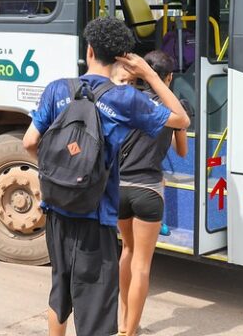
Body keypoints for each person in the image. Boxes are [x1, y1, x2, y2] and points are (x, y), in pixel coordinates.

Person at [23, 17, 190, 336]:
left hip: (56, 211)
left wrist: (60, 173)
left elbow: (30, 142)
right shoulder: (125, 99)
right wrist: (150, 74)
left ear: (89, 51)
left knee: (61, 292)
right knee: (95, 307)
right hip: (96, 214)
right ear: (120, 59)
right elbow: (180, 119)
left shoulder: (58, 89)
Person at [116, 50, 188, 336]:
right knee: (142, 265)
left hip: (120, 188)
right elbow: (182, 150)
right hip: (148, 190)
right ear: (168, 77)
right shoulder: (172, 110)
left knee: (127, 251)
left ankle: (123, 321)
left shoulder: (126, 101)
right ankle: (130, 332)